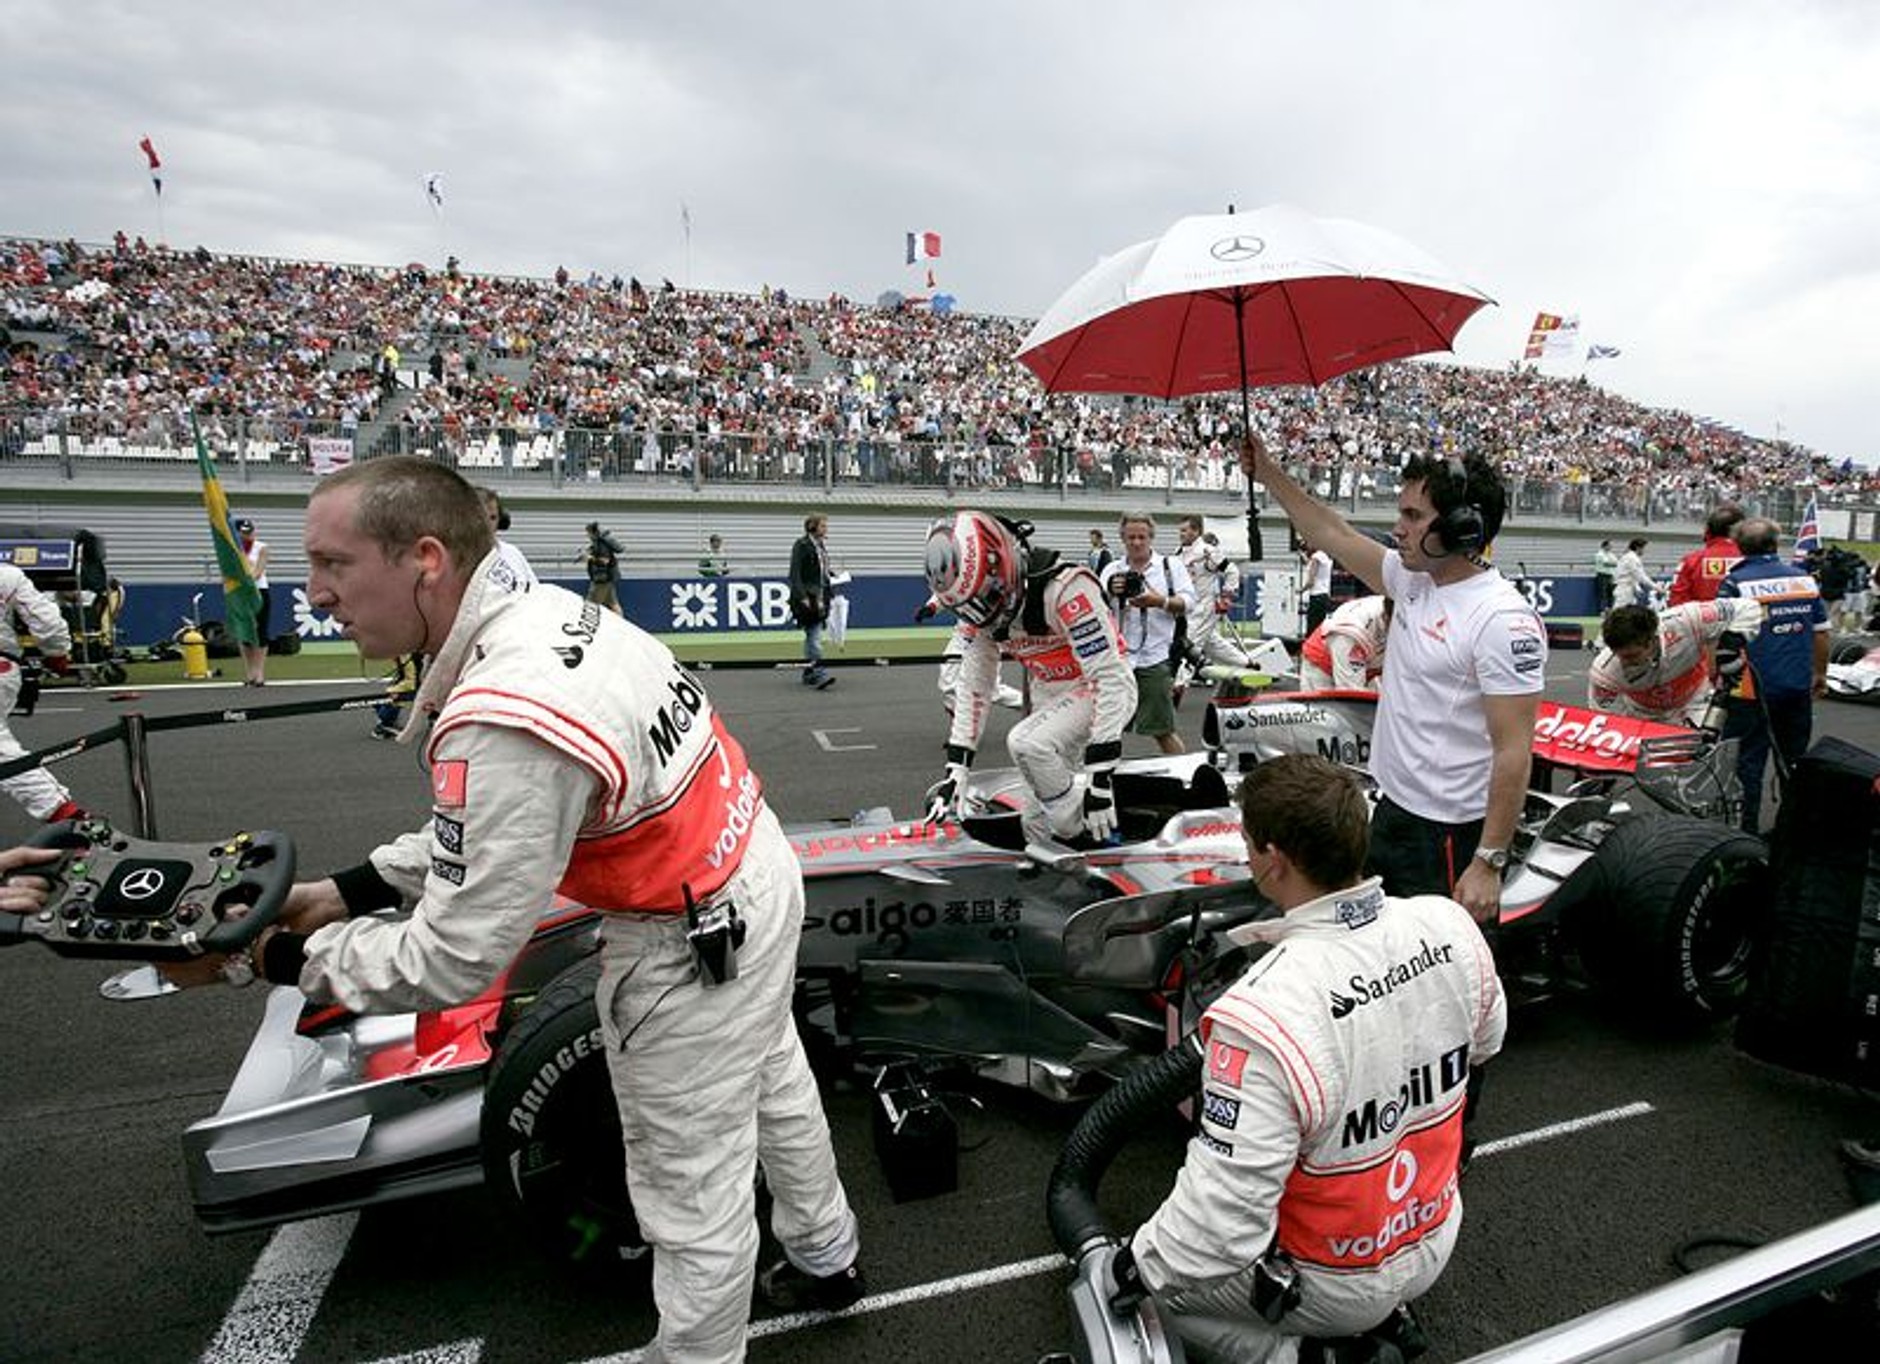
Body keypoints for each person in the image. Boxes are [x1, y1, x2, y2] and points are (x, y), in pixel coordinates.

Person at [170, 457, 862, 1360]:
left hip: (690, 936)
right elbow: (517, 828)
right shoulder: (555, 614)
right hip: (749, 865)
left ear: (424, 559)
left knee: (689, 1192)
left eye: (333, 564)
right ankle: (826, 1253)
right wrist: (348, 889)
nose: (317, 594)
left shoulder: (507, 707)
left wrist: (269, 958)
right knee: (776, 1079)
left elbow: (448, 959)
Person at [1126, 754, 1507, 1363]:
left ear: (1272, 860)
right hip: (1436, 1235)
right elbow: (1484, 1046)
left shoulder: (1259, 1012)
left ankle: (1308, 1356)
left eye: (1249, 842)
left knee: (1153, 1293)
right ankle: (1383, 1317)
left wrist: (1134, 1264)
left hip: (1336, 1279)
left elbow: (1220, 1229)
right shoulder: (1450, 926)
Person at [1240, 436, 1545, 923]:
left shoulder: (1502, 619)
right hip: (1390, 812)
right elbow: (1331, 532)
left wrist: (1488, 861)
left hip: (1447, 836)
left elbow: (1514, 750)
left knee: (1441, 975)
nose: (1397, 528)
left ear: (1463, 527)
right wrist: (1270, 473)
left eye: (1413, 516)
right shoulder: (1412, 580)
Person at [923, 511, 1136, 848]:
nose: (980, 612)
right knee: (1033, 822)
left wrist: (1100, 776)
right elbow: (975, 686)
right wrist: (956, 769)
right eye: (969, 606)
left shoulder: (1067, 588)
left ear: (1003, 563)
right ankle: (1056, 863)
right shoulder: (981, 613)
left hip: (1102, 688)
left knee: (1027, 743)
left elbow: (1108, 676)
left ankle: (1088, 834)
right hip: (1050, 696)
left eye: (985, 596)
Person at [1717, 518, 1829, 833]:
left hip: (1751, 691)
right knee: (1795, 762)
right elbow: (1822, 634)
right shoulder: (1804, 580)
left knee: (1746, 766)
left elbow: (1720, 636)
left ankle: (1745, 836)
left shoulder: (1734, 582)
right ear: (1775, 544)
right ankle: (1794, 835)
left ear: (1739, 546)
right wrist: (1820, 674)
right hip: (1796, 687)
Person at [1587, 600, 1765, 726]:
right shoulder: (1604, 672)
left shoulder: (1688, 619)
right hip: (1643, 717)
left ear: (1652, 640)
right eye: (1619, 655)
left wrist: (1730, 645)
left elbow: (1748, 608)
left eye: (1632, 655)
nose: (1624, 662)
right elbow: (1607, 721)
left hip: (1694, 701)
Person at [0, 563, 86, 824]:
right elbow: (46, 622)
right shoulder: (6, 575)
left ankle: (68, 820)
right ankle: (66, 818)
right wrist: (57, 654)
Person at [1111, 512, 1195, 755]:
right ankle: (1102, 782)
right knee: (1105, 729)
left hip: (1155, 658)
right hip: (1118, 662)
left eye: (1142, 537)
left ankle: (1185, 780)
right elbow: (1097, 609)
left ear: (1151, 538)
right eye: (1130, 537)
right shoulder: (1112, 570)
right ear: (1122, 538)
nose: (1136, 542)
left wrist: (1160, 601)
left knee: (1163, 729)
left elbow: (1190, 603)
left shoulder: (1170, 566)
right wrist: (1111, 591)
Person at [1178, 515, 1254, 672]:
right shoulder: (1179, 552)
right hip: (1188, 607)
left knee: (1190, 645)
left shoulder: (1208, 551)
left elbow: (1232, 571)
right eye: (1180, 530)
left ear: (1196, 531)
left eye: (1185, 530)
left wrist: (1227, 596)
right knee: (1212, 643)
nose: (1181, 534)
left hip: (1205, 606)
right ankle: (1247, 664)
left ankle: (1179, 685)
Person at [1296, 594, 1392, 692]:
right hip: (1323, 666)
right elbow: (1351, 691)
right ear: (1386, 618)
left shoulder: (1399, 607)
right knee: (1328, 706)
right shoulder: (1351, 633)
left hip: (1369, 661)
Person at [789, 514, 835, 690]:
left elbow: (821, 570)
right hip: (808, 597)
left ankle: (809, 672)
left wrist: (833, 576)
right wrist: (803, 597)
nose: (826, 529)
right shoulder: (801, 545)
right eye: (823, 526)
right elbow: (795, 574)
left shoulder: (821, 546)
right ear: (812, 527)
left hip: (821, 596)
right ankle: (819, 673)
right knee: (815, 636)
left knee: (812, 634)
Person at [1667, 504, 1744, 607]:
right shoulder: (1752, 560)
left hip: (1699, 620)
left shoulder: (1691, 561)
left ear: (1707, 530)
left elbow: (1676, 601)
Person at [235, 517, 271, 686]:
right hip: (240, 593)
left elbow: (258, 571)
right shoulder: (232, 549)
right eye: (243, 533)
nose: (248, 536)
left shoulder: (261, 547)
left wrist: (247, 577)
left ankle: (259, 672)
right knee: (245, 633)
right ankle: (249, 672)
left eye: (250, 532)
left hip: (259, 591)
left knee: (261, 631)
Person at [477, 487, 536, 587]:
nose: (487, 524)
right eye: (481, 517)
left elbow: (535, 592)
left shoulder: (512, 553)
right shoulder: (456, 558)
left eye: (493, 517)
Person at [581, 521, 622, 615]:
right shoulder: (597, 544)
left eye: (588, 533)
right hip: (606, 578)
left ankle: (589, 628)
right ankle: (621, 625)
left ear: (593, 533)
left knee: (591, 604)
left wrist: (590, 558)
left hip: (602, 579)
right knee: (613, 604)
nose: (587, 535)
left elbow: (605, 561)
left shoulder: (601, 545)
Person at [1301, 537, 1334, 635]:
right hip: (1325, 595)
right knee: (1320, 627)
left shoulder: (1316, 557)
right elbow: (1312, 566)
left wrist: (1300, 590)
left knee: (1312, 627)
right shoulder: (1326, 557)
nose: (1307, 546)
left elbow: (1311, 581)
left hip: (1316, 596)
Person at [1613, 536, 1652, 610]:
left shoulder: (1630, 557)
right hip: (1624, 591)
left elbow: (1632, 576)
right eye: (1643, 548)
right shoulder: (1632, 558)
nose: (1644, 551)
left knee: (1628, 615)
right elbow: (1641, 577)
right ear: (1638, 548)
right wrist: (1657, 587)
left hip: (1628, 590)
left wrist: (1637, 588)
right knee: (1618, 615)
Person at [1592, 538, 1618, 613]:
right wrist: (1613, 563)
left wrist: (1613, 563)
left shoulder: (1611, 554)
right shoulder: (1599, 554)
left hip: (1610, 576)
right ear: (1605, 546)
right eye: (1610, 545)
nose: (1611, 547)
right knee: (1602, 594)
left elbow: (1617, 562)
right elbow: (1606, 563)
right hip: (1602, 576)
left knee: (1611, 594)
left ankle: (1610, 609)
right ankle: (1602, 611)